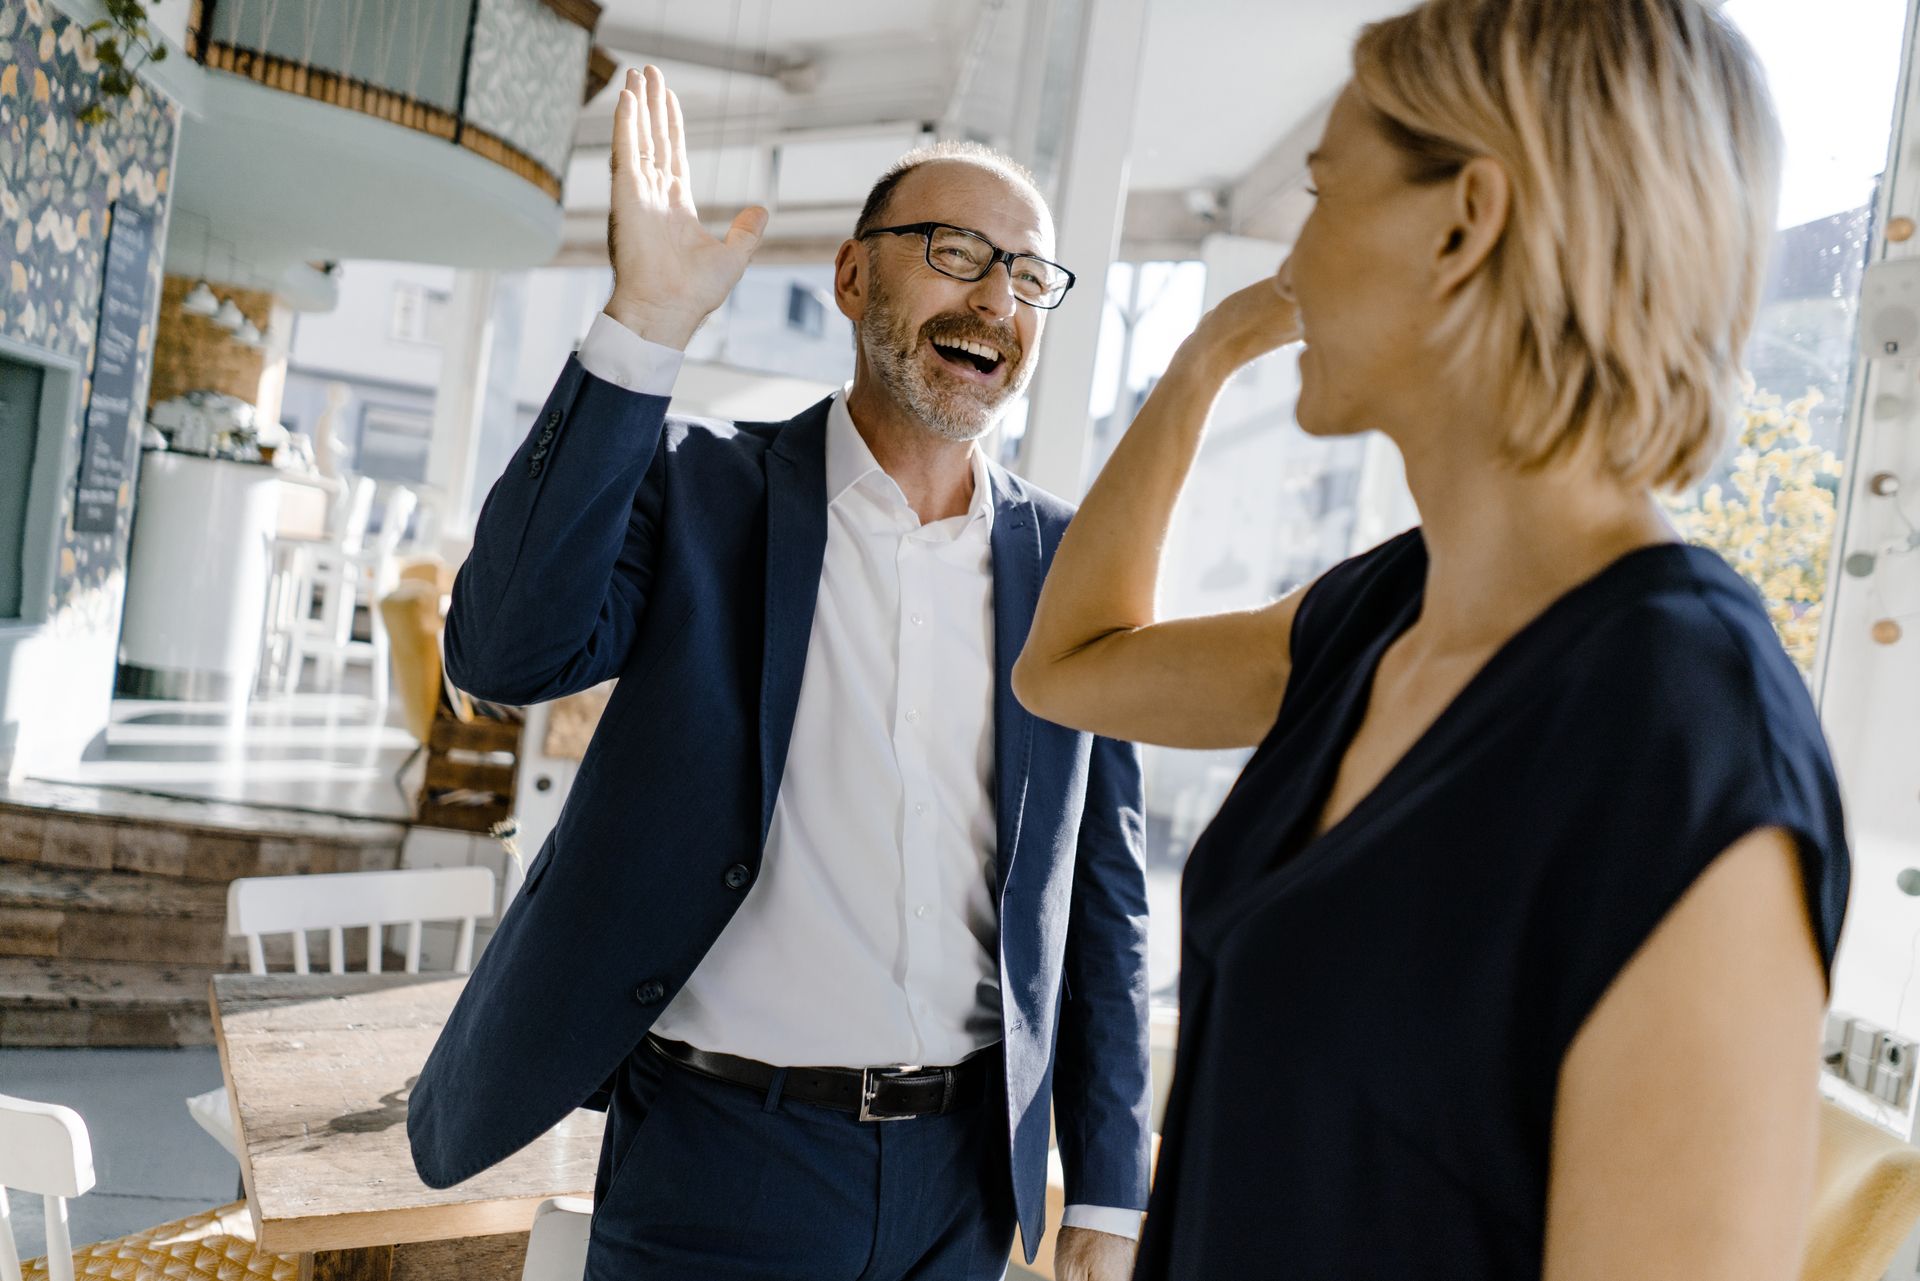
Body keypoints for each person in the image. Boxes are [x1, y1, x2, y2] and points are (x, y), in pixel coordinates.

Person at [1011, 1, 1850, 1277]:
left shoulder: (1683, 735)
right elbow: (1067, 668)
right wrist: (1202, 358)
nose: (1289, 259)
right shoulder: (1385, 615)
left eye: (1323, 191)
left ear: (1467, 222)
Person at [406, 66, 1151, 1281]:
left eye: (1028, 276)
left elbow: (1102, 894)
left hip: (962, 1184)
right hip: (719, 1159)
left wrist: (1111, 1197)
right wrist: (643, 327)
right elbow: (503, 653)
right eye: (956, 252)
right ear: (855, 276)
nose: (996, 300)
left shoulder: (1073, 565)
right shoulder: (701, 491)